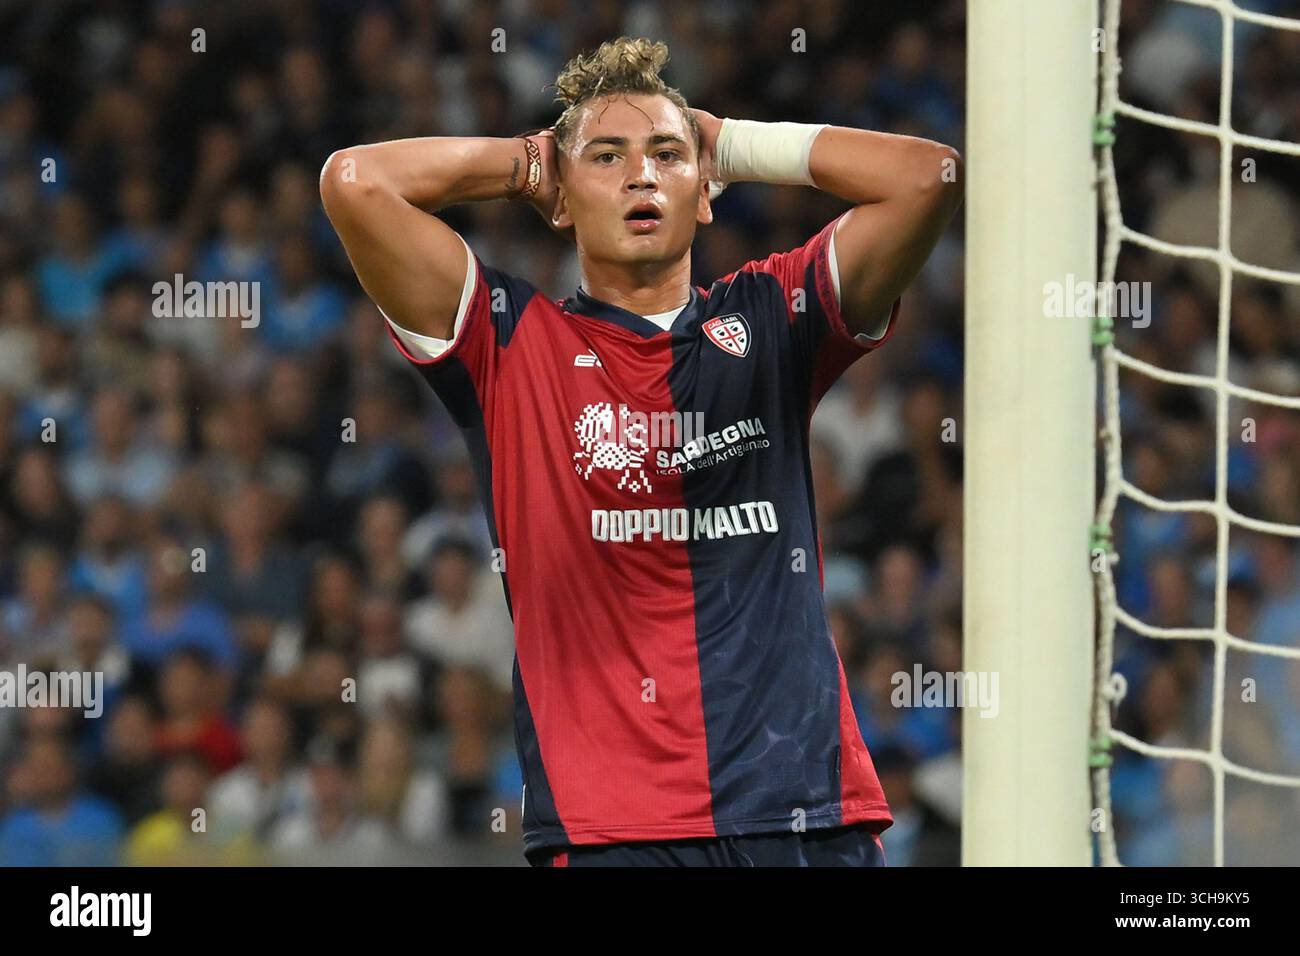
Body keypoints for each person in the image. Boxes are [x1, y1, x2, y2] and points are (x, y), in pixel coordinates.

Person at [320, 36, 962, 867]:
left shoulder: (772, 318)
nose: (641, 176)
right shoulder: (508, 344)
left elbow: (928, 177)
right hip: (610, 833)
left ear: (704, 193)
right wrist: (523, 162)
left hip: (801, 811)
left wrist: (733, 140)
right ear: (559, 194)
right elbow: (354, 183)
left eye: (667, 154)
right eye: (606, 157)